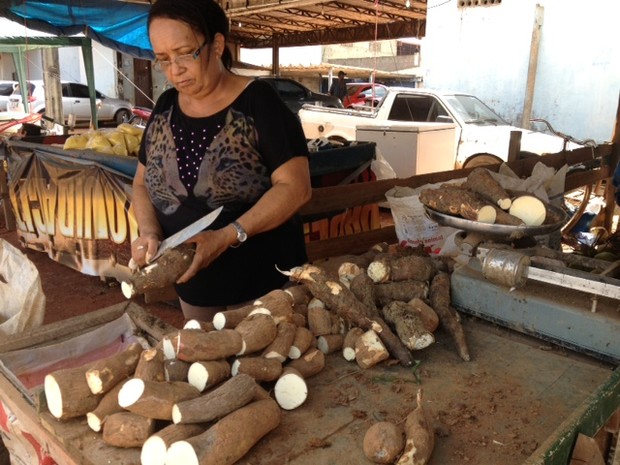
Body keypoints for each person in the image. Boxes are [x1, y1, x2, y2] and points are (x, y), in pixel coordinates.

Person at [131, 0, 312, 322]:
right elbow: (142, 182)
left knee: (262, 360)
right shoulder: (166, 105)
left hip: (261, 280)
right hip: (194, 283)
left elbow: (296, 188)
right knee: (207, 362)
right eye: (163, 59)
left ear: (216, 44)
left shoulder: (259, 102)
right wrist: (149, 233)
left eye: (185, 53)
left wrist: (227, 236)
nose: (175, 70)